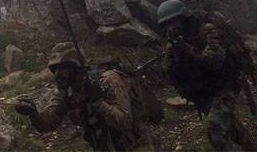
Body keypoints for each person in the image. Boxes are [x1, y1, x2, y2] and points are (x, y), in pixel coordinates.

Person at [157, 0, 257, 151]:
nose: (171, 27)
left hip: (225, 83)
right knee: (228, 124)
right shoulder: (173, 40)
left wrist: (187, 50)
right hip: (202, 90)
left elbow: (214, 63)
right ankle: (252, 147)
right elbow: (167, 73)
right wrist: (172, 55)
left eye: (174, 21)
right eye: (167, 23)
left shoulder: (207, 29)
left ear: (183, 17)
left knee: (215, 128)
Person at [14, 42, 156, 151]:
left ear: (76, 68)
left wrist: (98, 102)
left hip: (137, 144)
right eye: (55, 69)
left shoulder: (108, 80)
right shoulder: (65, 92)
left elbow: (124, 122)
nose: (58, 74)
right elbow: (48, 124)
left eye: (63, 68)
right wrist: (33, 113)